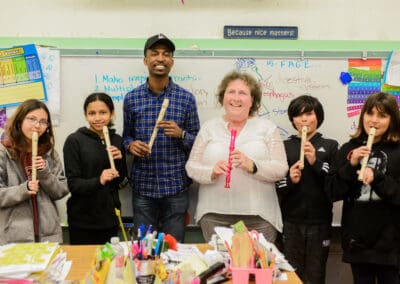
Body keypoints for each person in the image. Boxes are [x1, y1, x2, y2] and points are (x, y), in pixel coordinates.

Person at [185, 71, 288, 242]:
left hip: (259, 216)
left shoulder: (267, 128)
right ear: (223, 97)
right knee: (221, 266)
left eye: (243, 93)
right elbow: (191, 167)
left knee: (256, 267)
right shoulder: (209, 128)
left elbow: (281, 168)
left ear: (252, 100)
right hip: (214, 215)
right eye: (231, 92)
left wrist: (253, 166)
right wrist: (211, 171)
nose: (236, 98)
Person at [123, 33, 200, 242]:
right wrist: (131, 146)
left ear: (172, 62)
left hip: (175, 186)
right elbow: (125, 137)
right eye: (154, 53)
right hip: (143, 187)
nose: (160, 58)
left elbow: (199, 144)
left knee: (173, 250)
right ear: (146, 60)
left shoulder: (186, 99)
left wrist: (181, 134)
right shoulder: (132, 99)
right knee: (143, 249)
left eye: (166, 54)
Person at [326, 92, 400, 284]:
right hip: (357, 242)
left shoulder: (397, 150)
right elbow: (332, 192)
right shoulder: (348, 148)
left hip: (391, 244)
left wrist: (377, 177)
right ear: (362, 116)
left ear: (392, 119)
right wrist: (351, 165)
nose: (374, 121)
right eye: (370, 114)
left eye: (382, 116)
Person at [275, 95, 339, 284]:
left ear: (318, 117)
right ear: (292, 119)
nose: (303, 119)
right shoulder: (284, 146)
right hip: (290, 221)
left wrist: (315, 162)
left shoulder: (330, 145)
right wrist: (290, 179)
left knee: (316, 275)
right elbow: (278, 185)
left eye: (309, 114)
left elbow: (335, 184)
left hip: (320, 222)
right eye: (298, 115)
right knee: (290, 276)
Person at [0, 99, 68, 244]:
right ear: (19, 121)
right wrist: (24, 189)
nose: (37, 125)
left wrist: (45, 173)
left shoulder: (49, 152)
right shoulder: (3, 151)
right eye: (32, 119)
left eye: (43, 121)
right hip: (14, 235)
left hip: (48, 234)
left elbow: (61, 190)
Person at [63, 92, 127, 244]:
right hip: (83, 219)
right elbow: (73, 184)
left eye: (103, 112)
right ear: (85, 115)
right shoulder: (74, 140)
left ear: (112, 114)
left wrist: (119, 161)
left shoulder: (117, 140)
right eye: (92, 113)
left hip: (110, 217)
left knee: (109, 264)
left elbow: (121, 181)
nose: (97, 118)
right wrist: (99, 180)